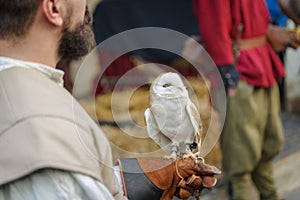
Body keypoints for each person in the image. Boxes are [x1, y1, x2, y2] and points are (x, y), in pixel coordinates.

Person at [0, 0, 220, 199]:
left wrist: (130, 182)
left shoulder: (27, 95)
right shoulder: (42, 137)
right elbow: (59, 185)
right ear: (54, 8)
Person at [193, 0, 300, 199]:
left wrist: (271, 31)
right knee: (240, 152)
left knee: (269, 142)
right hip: (238, 69)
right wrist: (226, 71)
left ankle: (270, 195)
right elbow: (215, 25)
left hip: (263, 63)